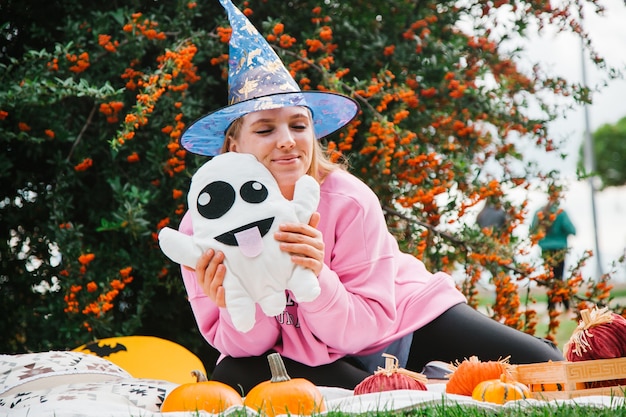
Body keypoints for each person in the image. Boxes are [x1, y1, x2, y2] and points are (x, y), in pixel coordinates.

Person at [175, 0, 564, 394]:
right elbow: (246, 347)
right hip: (295, 357)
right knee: (235, 375)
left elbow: (362, 331)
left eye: (299, 125)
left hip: (399, 324)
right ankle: (408, 389)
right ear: (233, 144)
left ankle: (414, 380)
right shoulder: (202, 226)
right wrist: (233, 298)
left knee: (547, 366)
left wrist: (317, 276)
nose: (288, 141)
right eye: (264, 130)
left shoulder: (347, 200)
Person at [531, 200, 577, 309]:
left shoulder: (539, 212)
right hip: (559, 249)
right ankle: (564, 306)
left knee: (551, 277)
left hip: (545, 249)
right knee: (559, 277)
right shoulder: (561, 213)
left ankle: (552, 306)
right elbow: (572, 230)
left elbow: (533, 230)